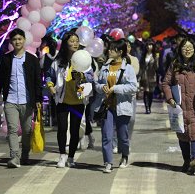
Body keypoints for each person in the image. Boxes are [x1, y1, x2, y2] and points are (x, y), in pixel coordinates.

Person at [0, 28, 42, 168]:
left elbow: (37, 81)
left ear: (24, 40)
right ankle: (14, 156)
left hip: (27, 101)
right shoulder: (6, 59)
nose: (17, 41)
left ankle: (25, 153)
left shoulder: (32, 59)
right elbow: (0, 79)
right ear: (11, 42)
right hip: (11, 101)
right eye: (14, 39)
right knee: (12, 129)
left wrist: (38, 99)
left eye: (20, 39)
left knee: (27, 131)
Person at [45, 31, 94, 168]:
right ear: (66, 43)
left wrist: (83, 78)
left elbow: (91, 79)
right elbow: (49, 76)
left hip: (78, 101)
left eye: (76, 41)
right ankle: (62, 155)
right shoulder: (58, 61)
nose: (75, 43)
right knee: (61, 128)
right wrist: (50, 86)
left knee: (74, 130)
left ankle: (71, 157)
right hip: (62, 100)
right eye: (71, 41)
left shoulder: (85, 59)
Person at [161, 38, 195, 174]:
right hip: (179, 106)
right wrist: (170, 98)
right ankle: (186, 160)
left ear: (194, 49)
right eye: (184, 47)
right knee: (182, 134)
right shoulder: (175, 64)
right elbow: (166, 83)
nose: (187, 50)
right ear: (180, 49)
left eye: (190, 47)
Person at [93, 39, 138, 173]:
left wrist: (115, 88)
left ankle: (124, 156)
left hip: (122, 106)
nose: (109, 51)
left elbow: (133, 87)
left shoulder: (128, 69)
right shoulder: (105, 68)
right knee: (106, 135)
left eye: (112, 49)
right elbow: (97, 84)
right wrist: (102, 87)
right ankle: (108, 162)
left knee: (122, 136)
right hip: (107, 106)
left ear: (119, 52)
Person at [139, 40, 159, 114]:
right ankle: (147, 108)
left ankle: (149, 106)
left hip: (152, 76)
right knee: (146, 91)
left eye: (150, 45)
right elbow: (141, 66)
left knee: (151, 92)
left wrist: (156, 60)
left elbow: (157, 67)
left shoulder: (155, 56)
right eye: (147, 45)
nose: (149, 47)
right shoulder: (143, 55)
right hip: (144, 75)